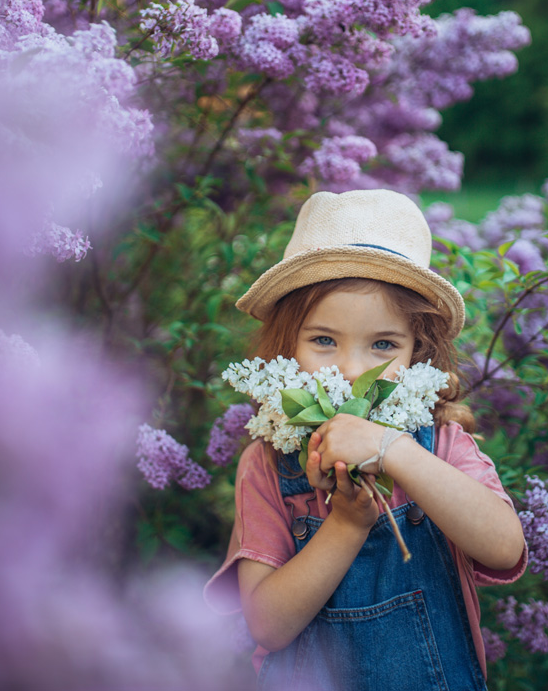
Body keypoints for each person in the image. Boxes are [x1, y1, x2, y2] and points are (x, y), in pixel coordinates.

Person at [205, 189, 528, 691]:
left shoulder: (440, 445)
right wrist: (348, 524)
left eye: (383, 345)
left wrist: (393, 449)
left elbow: (505, 549)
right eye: (324, 341)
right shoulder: (268, 462)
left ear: (419, 354)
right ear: (286, 346)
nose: (353, 369)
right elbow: (267, 624)